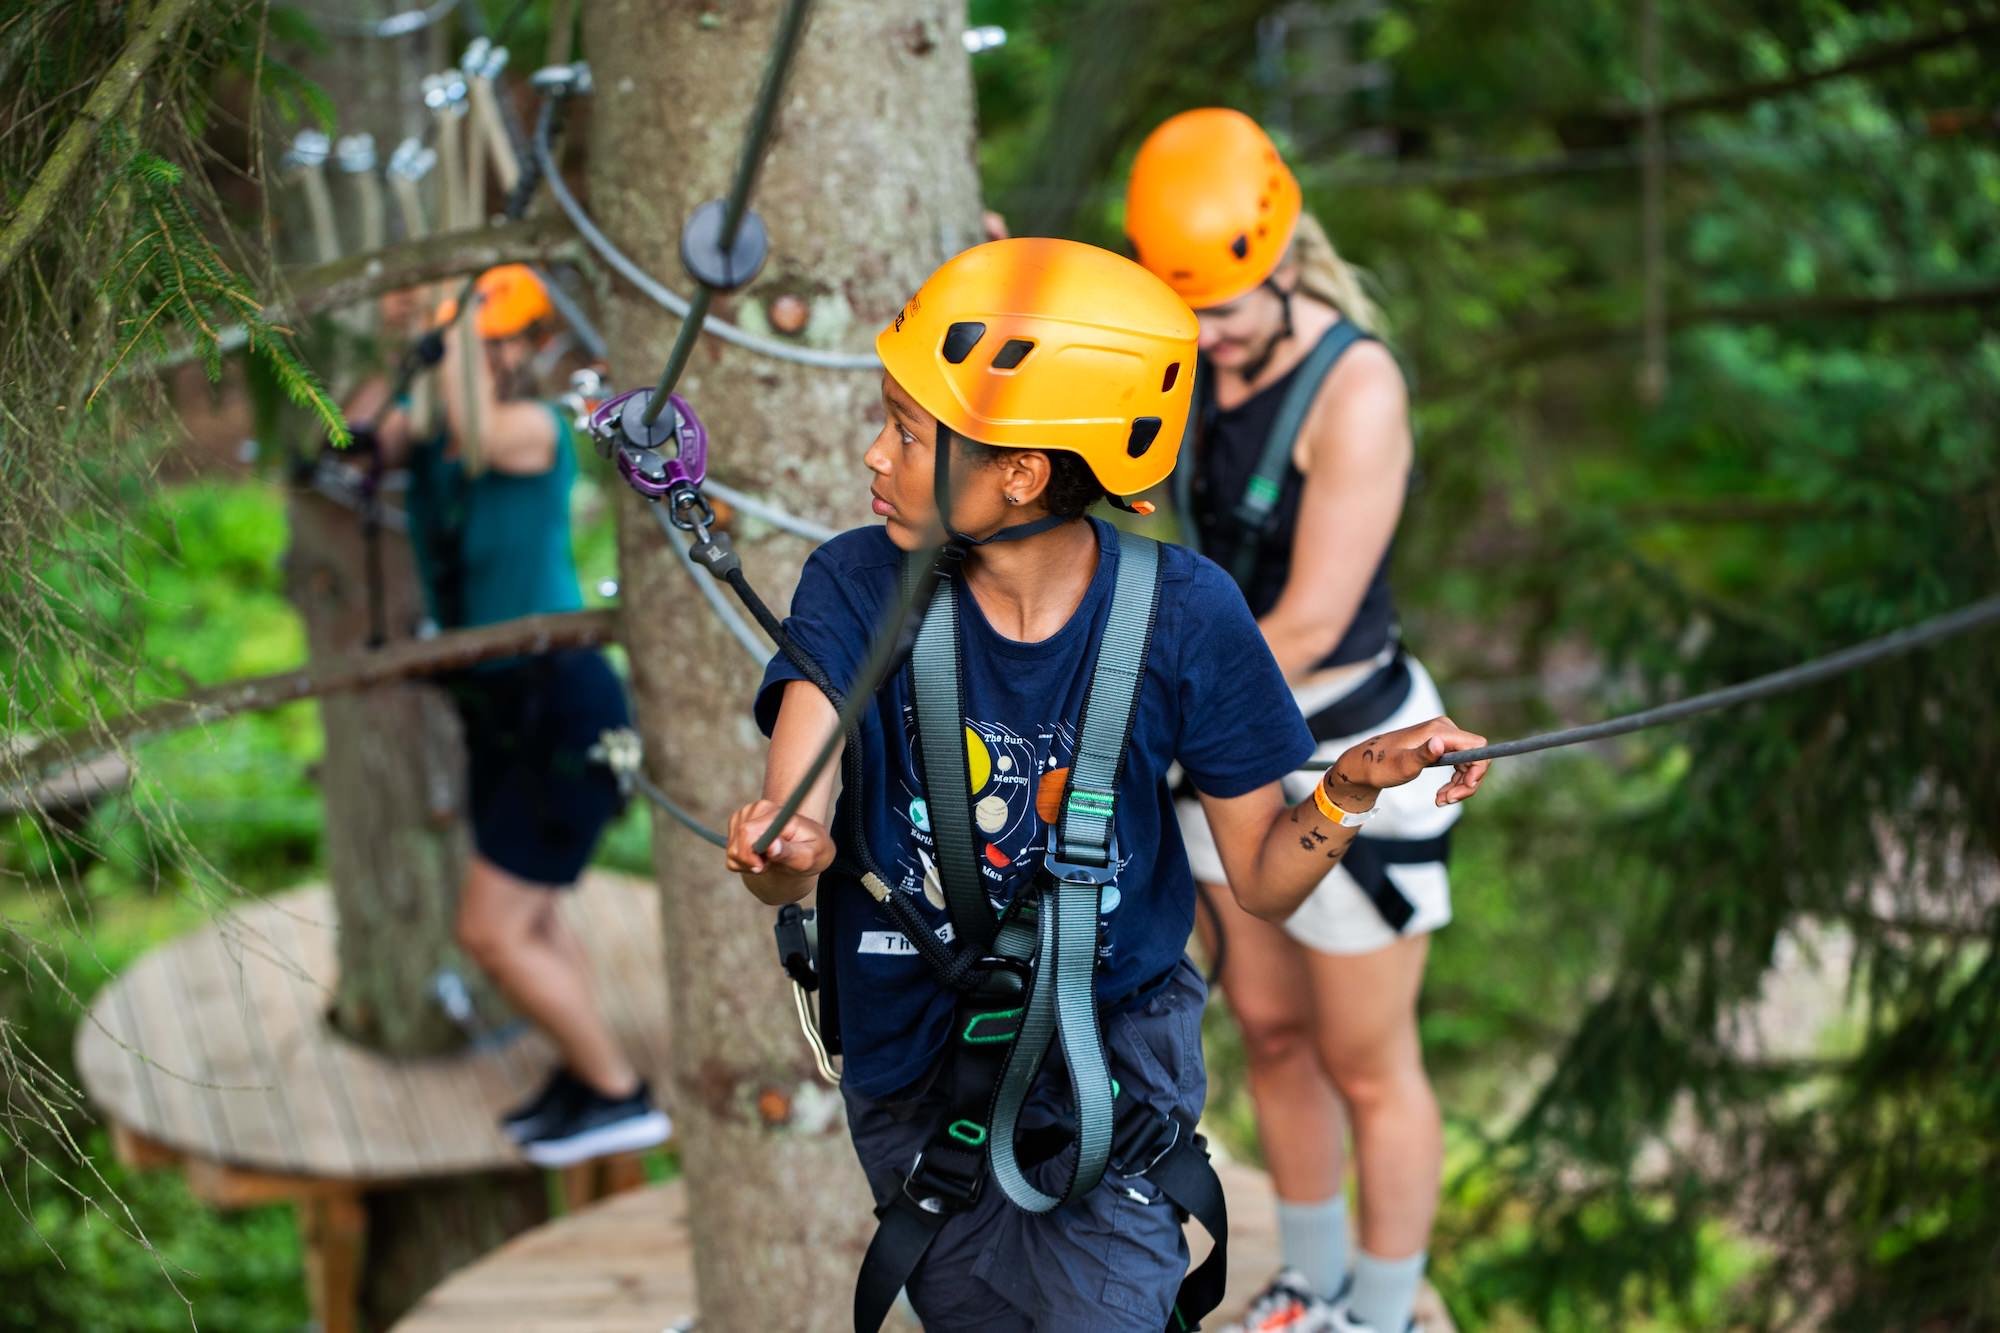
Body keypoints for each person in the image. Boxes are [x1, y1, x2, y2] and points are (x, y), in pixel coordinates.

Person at [724, 237, 1489, 1331]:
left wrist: (1348, 790)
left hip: (1108, 1074)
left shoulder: (1184, 613)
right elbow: (795, 800)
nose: (871, 457)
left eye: (905, 432)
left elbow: (1264, 885)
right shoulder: (855, 582)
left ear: (1021, 473)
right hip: (916, 1075)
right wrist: (785, 844)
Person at [1125, 108, 1456, 1333]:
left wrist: (1144, 702)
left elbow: (1312, 619)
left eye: (1220, 313)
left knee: (1368, 1059)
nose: (1198, 342)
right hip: (1219, 746)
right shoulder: (1187, 347)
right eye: (1181, 315)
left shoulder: (1351, 384)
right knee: (1267, 1028)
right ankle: (1308, 1279)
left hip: (1341, 740)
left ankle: (1380, 1306)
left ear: (1278, 259)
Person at [366, 264, 669, 1167]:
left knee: (490, 930)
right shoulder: (430, 422)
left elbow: (472, 430)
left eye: (501, 339)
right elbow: (373, 425)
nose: (486, 355)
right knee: (530, 921)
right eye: (479, 340)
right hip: (498, 706)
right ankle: (589, 1078)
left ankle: (617, 1090)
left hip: (559, 701)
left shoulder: (535, 433)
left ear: (531, 349)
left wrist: (453, 318)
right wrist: (419, 327)